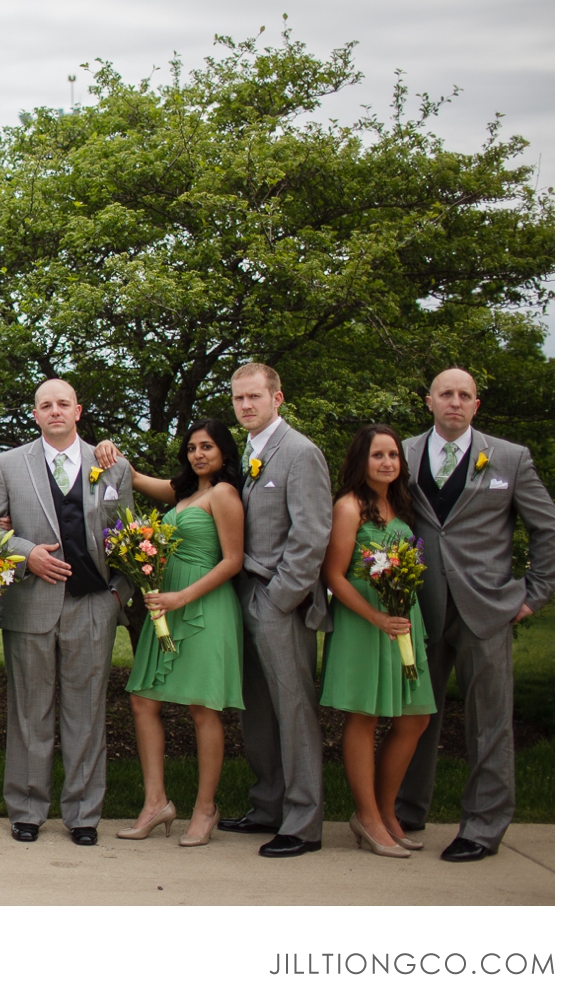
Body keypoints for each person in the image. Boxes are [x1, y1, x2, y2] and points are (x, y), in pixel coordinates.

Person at [394, 368, 555, 862]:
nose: (455, 402)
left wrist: (536, 593)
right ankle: (406, 810)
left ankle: (483, 826)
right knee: (416, 714)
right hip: (420, 606)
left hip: (487, 608)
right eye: (447, 394)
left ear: (476, 405)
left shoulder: (510, 457)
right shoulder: (402, 454)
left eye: (465, 395)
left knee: (489, 721)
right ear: (430, 401)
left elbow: (548, 529)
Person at [0, 381, 132, 846]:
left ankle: (84, 814)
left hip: (93, 605)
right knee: (30, 711)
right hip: (31, 604)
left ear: (78, 411)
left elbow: (128, 535)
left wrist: (117, 596)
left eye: (63, 404)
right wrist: (26, 553)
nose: (55, 412)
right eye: (45, 405)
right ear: (35, 414)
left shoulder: (112, 466)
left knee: (86, 712)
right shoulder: (9, 465)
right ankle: (26, 809)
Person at [95, 419, 245, 847]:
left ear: (224, 453)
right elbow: (132, 476)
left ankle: (205, 808)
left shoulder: (225, 494)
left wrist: (183, 598)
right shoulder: (184, 494)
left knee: (203, 708)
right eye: (193, 447)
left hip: (203, 607)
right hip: (168, 606)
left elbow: (232, 560)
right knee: (143, 700)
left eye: (208, 447)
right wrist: (106, 446)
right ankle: (156, 802)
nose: (199, 454)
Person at [217, 363, 332, 857]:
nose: (245, 406)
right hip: (245, 596)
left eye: (254, 397)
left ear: (277, 398)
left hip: (279, 602)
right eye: (239, 398)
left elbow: (311, 537)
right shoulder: (249, 451)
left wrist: (279, 599)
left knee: (294, 711)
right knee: (258, 712)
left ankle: (304, 823)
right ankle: (268, 805)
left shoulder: (301, 453)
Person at [320, 424, 434, 859]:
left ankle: (386, 812)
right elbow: (333, 574)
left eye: (393, 455)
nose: (387, 462)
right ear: (361, 461)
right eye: (377, 456)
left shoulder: (400, 503)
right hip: (364, 621)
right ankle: (367, 817)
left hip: (403, 619)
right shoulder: (349, 507)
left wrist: (396, 614)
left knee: (414, 718)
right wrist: (376, 617)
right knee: (364, 718)